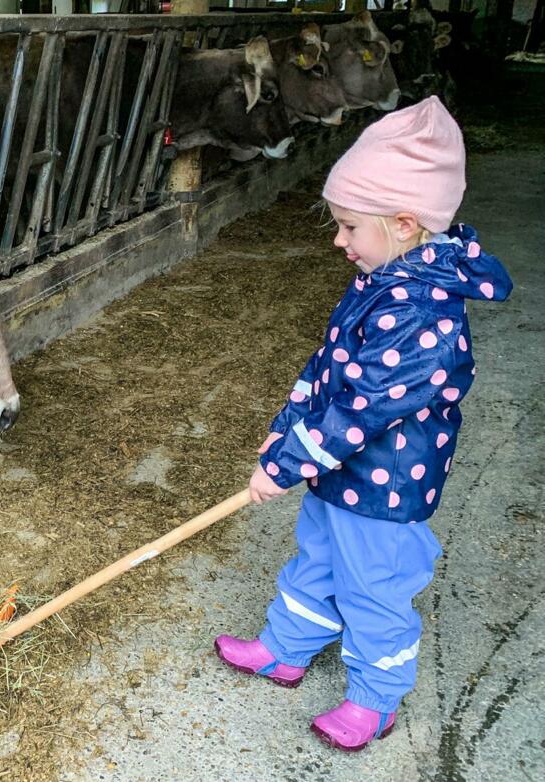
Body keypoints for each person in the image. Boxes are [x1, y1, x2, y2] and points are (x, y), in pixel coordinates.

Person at [215, 96, 512, 752]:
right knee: (318, 558)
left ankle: (375, 700)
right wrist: (286, 427)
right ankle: (286, 648)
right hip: (337, 469)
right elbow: (328, 368)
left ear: (405, 224)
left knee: (374, 588)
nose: (338, 239)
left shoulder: (423, 316)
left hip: (384, 488)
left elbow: (362, 407)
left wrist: (285, 464)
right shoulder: (384, 278)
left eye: (349, 226)